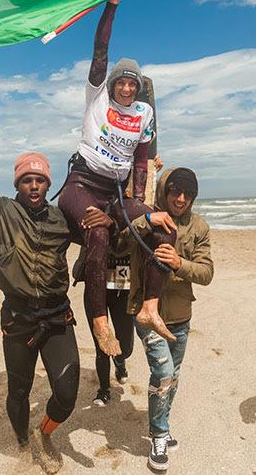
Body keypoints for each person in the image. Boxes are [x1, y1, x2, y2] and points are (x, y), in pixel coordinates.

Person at [0, 96, 113, 473]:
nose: (34, 185)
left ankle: (45, 431)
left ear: (48, 183)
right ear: (18, 184)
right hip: (19, 320)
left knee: (67, 392)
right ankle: (24, 442)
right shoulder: (0, 213)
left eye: (40, 179)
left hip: (57, 317)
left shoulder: (61, 220)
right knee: (19, 392)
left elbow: (96, 236)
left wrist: (107, 220)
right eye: (27, 179)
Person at [57, 0, 176, 353]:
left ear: (138, 88)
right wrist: (111, 6)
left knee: (164, 226)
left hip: (116, 193)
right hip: (81, 184)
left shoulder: (144, 114)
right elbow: (100, 52)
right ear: (112, 83)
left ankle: (150, 307)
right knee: (98, 231)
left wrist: (140, 206)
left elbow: (141, 160)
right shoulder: (98, 96)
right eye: (121, 81)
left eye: (132, 83)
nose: (126, 87)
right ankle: (99, 319)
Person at [123, 168, 213, 471]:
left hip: (180, 316)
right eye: (175, 191)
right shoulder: (148, 218)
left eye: (188, 194)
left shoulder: (199, 227)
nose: (181, 198)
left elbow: (206, 273)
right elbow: (121, 241)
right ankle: (159, 435)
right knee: (162, 372)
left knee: (173, 375)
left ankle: (160, 424)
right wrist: (145, 220)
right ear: (165, 192)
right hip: (147, 314)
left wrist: (179, 263)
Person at [74, 154, 165, 407]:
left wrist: (152, 173)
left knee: (125, 346)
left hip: (123, 287)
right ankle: (103, 389)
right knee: (100, 341)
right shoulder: (90, 206)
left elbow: (151, 214)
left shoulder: (130, 210)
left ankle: (121, 361)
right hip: (96, 287)